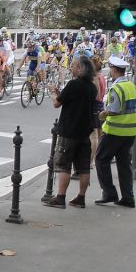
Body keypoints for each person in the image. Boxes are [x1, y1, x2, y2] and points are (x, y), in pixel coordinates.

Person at [43, 56, 98, 208]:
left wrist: (54, 92)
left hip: (69, 131)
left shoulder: (73, 84)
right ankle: (81, 198)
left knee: (64, 165)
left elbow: (57, 103)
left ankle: (60, 198)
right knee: (84, 167)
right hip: (85, 131)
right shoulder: (92, 87)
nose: (71, 68)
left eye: (73, 66)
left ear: (80, 69)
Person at [95, 55, 136, 208]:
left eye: (110, 69)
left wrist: (102, 114)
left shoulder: (116, 88)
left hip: (114, 131)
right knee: (124, 164)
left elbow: (113, 110)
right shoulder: (132, 86)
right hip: (130, 132)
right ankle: (128, 197)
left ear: (114, 70)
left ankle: (109, 192)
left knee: (100, 160)